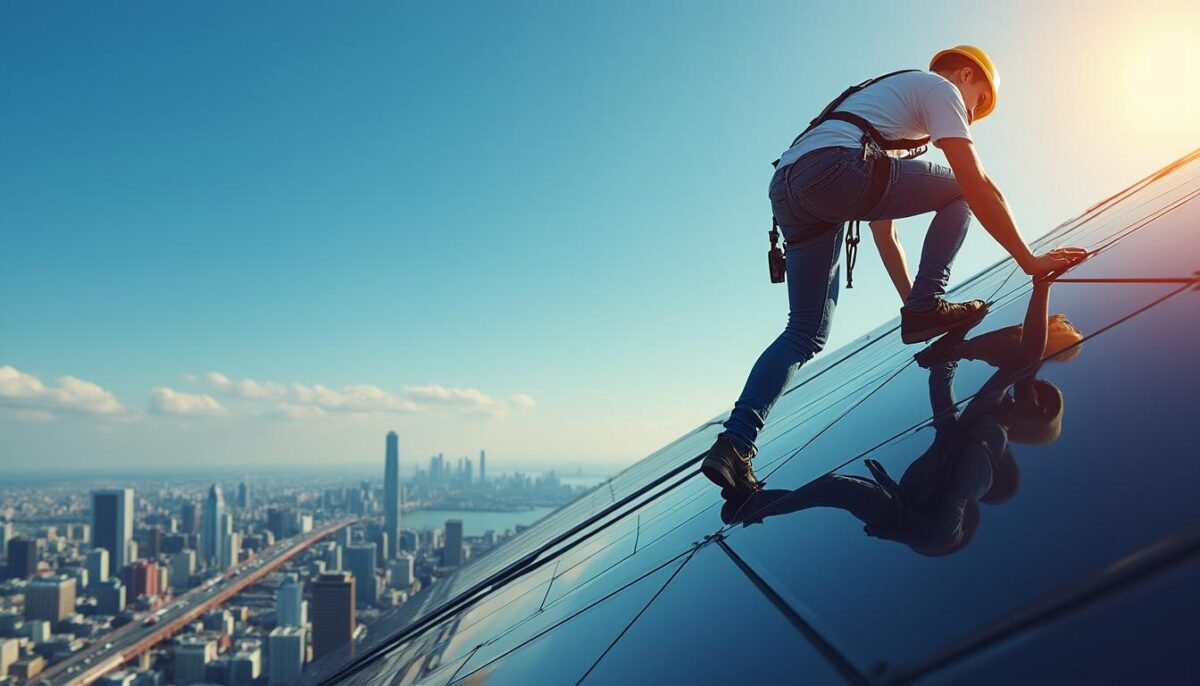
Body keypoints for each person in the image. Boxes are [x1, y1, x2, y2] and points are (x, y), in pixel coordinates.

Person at [701, 45, 1087, 498]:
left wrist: (915, 307)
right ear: (965, 76)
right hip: (835, 171)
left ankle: (735, 444)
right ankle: (927, 304)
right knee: (963, 191)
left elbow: (886, 234)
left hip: (790, 190)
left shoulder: (890, 118)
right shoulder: (940, 89)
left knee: (804, 333)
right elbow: (973, 183)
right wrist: (1030, 260)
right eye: (978, 103)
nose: (971, 115)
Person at [719, 279, 1077, 557]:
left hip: (915, 520)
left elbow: (1024, 360)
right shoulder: (987, 421)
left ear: (1035, 421)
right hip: (917, 514)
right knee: (838, 488)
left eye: (1040, 401)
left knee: (839, 488)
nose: (1030, 391)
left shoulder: (986, 440)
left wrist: (1040, 286)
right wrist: (954, 348)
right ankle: (755, 506)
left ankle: (755, 506)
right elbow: (951, 399)